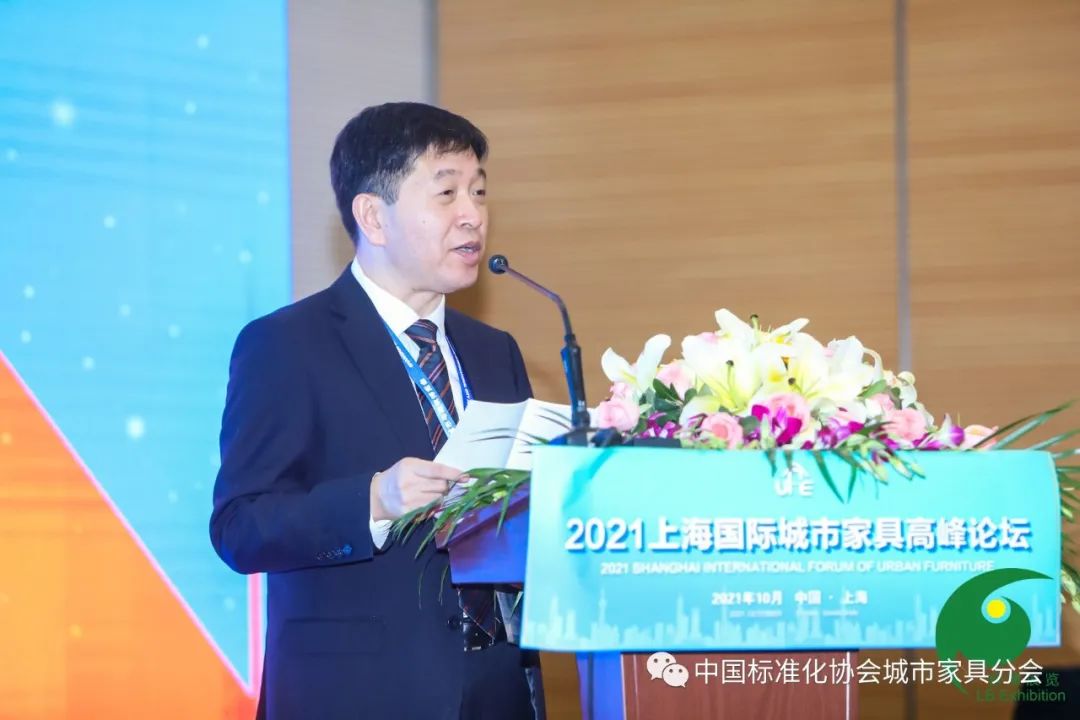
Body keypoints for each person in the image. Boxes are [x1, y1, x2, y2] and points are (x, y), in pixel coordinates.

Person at [210, 102, 543, 719]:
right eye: (446, 193)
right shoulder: (287, 344)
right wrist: (373, 501)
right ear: (373, 216)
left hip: (498, 692)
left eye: (479, 191)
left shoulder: (495, 351)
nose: (473, 214)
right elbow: (240, 528)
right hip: (359, 695)